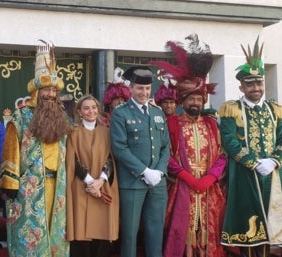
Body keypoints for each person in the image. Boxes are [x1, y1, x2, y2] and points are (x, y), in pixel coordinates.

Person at [151, 34, 226, 257]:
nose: (195, 103)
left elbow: (222, 155)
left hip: (208, 187)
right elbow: (168, 155)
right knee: (182, 232)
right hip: (182, 185)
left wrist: (209, 179)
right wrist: (188, 177)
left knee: (208, 230)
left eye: (199, 100)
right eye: (191, 99)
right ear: (182, 101)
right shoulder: (172, 123)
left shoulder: (212, 124)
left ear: (203, 101)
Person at [218, 38, 282, 256]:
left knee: (271, 226)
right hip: (245, 175)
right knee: (249, 228)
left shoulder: (275, 109)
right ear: (242, 87)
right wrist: (253, 162)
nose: (256, 88)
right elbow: (229, 140)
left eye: (259, 83)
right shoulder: (231, 109)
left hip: (273, 175)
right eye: (250, 84)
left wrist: (274, 161)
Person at [0, 40, 72, 257]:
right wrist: (10, 183)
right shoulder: (21, 116)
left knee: (56, 232)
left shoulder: (63, 118)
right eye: (45, 90)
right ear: (36, 92)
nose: (49, 94)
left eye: (53, 90)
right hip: (28, 187)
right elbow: (10, 149)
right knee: (30, 235)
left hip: (58, 185)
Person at [110, 65, 170, 257]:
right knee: (130, 233)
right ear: (131, 88)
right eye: (139, 88)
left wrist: (159, 172)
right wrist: (145, 171)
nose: (143, 92)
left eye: (146, 88)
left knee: (155, 231)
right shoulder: (121, 113)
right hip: (133, 182)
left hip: (157, 183)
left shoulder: (157, 113)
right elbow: (119, 148)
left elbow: (165, 147)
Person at [66, 95, 119, 257]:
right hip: (81, 188)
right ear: (79, 112)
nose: (91, 111)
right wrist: (90, 182)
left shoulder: (108, 132)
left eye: (94, 107)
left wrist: (100, 181)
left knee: (102, 234)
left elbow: (111, 159)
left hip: (104, 186)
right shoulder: (73, 133)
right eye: (86, 108)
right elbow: (72, 160)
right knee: (81, 236)